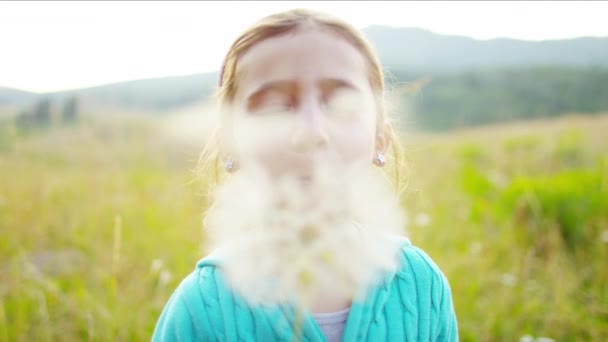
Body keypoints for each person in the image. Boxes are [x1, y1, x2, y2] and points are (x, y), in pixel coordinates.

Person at [152, 8, 458, 342]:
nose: (311, 131)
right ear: (230, 144)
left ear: (379, 138)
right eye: (273, 105)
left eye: (342, 103)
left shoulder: (421, 285)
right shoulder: (202, 309)